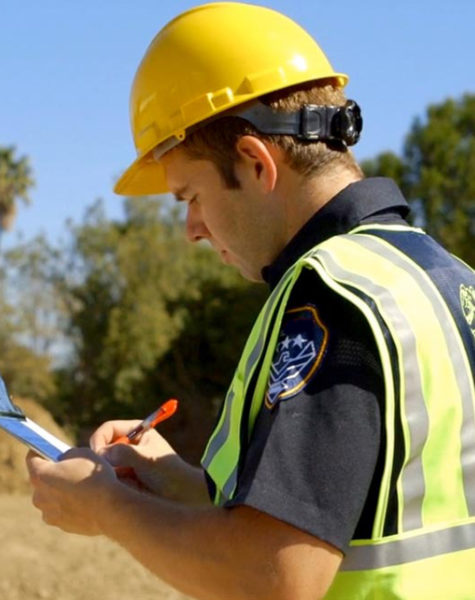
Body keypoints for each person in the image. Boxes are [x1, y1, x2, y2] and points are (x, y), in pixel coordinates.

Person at [27, 3, 475, 599]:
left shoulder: (333, 297)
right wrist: (173, 481)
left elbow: (276, 577)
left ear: (255, 163)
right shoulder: (444, 277)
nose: (191, 228)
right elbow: (360, 508)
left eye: (191, 195)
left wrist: (108, 510)